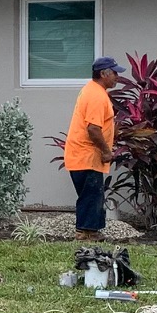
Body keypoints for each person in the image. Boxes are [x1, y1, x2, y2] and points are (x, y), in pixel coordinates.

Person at [64, 56, 125, 241]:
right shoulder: (97, 96)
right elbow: (92, 128)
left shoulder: (92, 91)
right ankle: (85, 232)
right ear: (103, 73)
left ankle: (92, 231)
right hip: (87, 156)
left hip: (81, 155)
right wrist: (107, 151)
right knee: (91, 195)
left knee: (93, 194)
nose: (117, 77)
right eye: (114, 73)